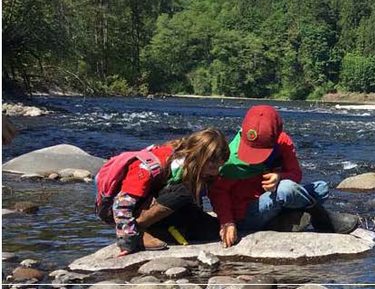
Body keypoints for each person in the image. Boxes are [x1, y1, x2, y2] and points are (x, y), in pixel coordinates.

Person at [210, 105, 358, 247]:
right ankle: (322, 218)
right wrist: (227, 222)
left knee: (321, 187)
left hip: (274, 199)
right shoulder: (231, 159)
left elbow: (296, 174)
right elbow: (218, 192)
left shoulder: (283, 142)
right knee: (286, 190)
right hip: (246, 215)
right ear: (243, 133)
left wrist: (279, 176)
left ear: (277, 135)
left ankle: (280, 221)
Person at [96, 128, 229, 255]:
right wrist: (127, 241)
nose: (216, 172)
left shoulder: (197, 170)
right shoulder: (149, 166)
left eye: (219, 166)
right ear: (196, 158)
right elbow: (122, 205)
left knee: (211, 231)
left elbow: (217, 193)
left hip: (160, 203)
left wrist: (227, 222)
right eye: (212, 166)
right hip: (123, 210)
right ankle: (139, 230)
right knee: (185, 190)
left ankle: (162, 230)